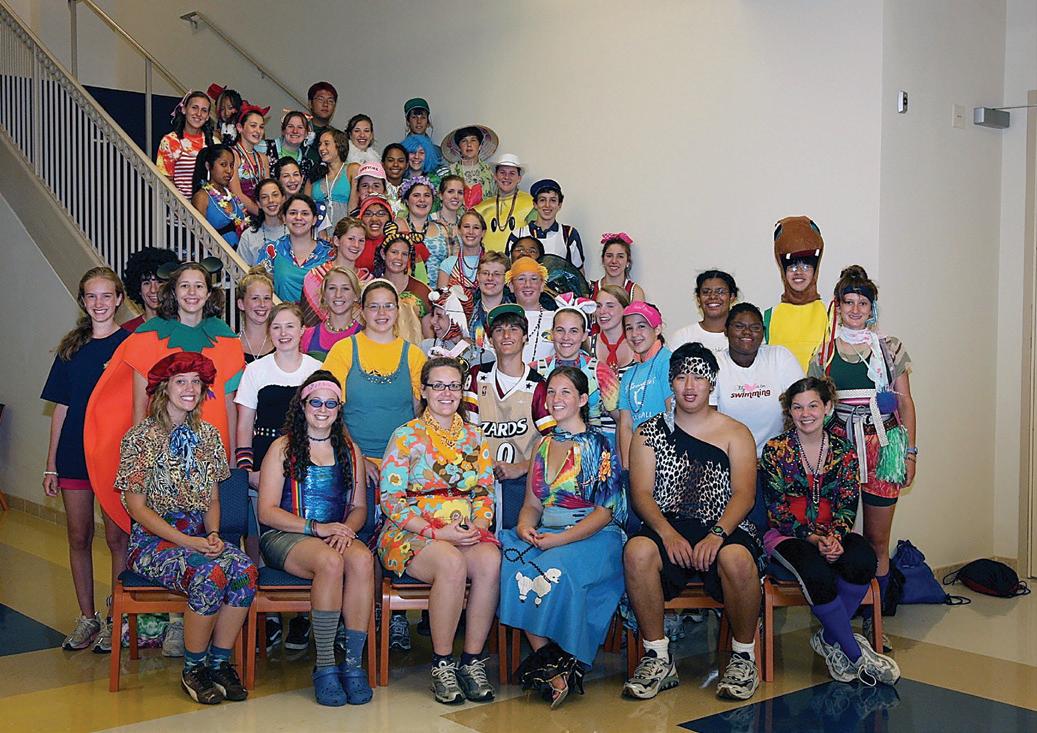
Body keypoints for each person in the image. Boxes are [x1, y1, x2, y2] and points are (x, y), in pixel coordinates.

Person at [622, 343, 763, 701]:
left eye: (698, 377)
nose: (689, 385)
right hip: (668, 525)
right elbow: (641, 494)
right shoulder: (648, 433)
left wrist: (717, 534)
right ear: (670, 381)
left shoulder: (736, 432)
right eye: (682, 376)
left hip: (724, 525)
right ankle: (657, 655)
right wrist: (667, 534)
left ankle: (744, 657)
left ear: (712, 382)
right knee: (637, 551)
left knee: (737, 559)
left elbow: (744, 494)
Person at [115, 352, 257, 705]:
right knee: (209, 575)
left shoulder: (208, 436)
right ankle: (193, 669)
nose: (190, 388)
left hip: (197, 536)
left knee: (244, 570)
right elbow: (137, 508)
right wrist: (187, 542)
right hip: (152, 542)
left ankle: (219, 664)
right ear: (164, 388)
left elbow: (212, 499)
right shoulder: (141, 438)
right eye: (181, 382)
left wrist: (212, 534)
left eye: (196, 382)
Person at [85, 262, 246, 536]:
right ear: (173, 291)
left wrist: (229, 459)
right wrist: (142, 456)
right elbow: (139, 404)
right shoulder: (149, 336)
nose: (192, 293)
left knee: (213, 532)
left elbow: (229, 405)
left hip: (208, 451)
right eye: (185, 286)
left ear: (209, 293)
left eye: (199, 286)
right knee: (166, 532)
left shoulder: (227, 339)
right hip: (162, 454)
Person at [762, 377, 901, 686]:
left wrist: (836, 537)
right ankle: (857, 656)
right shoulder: (775, 450)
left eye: (813, 405)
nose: (805, 414)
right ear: (789, 411)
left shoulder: (844, 450)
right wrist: (813, 538)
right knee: (817, 571)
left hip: (832, 533)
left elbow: (848, 504)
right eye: (797, 407)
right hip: (788, 536)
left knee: (863, 559)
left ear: (827, 407)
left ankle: (828, 639)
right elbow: (777, 511)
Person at [500, 367, 625, 707]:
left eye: (565, 392)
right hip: (547, 533)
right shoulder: (541, 445)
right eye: (552, 392)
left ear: (583, 399)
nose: (556, 399)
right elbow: (531, 505)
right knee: (510, 566)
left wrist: (559, 540)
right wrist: (524, 526)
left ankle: (560, 662)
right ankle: (555, 664)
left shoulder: (600, 445)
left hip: (593, 535)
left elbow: (606, 512)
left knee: (548, 570)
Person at [378, 357, 500, 705]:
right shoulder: (406, 436)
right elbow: (391, 499)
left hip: (464, 529)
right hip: (411, 531)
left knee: (490, 560)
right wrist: (437, 533)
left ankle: (472, 662)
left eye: (454, 386)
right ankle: (442, 664)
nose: (447, 393)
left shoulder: (475, 436)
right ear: (423, 391)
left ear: (462, 391)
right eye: (438, 385)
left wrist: (478, 525)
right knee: (450, 562)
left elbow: (484, 492)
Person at [809, 266, 916, 649]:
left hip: (883, 448)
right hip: (838, 448)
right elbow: (814, 407)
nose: (855, 309)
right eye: (849, 302)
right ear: (838, 306)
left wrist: (910, 454)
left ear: (872, 308)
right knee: (834, 535)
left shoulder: (890, 348)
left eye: (863, 303)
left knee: (877, 541)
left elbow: (905, 402)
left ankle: (875, 625)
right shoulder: (823, 351)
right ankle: (836, 621)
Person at [257, 370, 374, 706]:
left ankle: (352, 664)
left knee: (362, 559)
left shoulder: (350, 450)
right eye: (316, 402)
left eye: (330, 404)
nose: (323, 409)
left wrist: (346, 530)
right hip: (286, 535)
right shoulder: (282, 448)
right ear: (303, 405)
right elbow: (266, 511)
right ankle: (324, 664)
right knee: (330, 562)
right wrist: (317, 528)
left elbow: (358, 508)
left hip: (335, 533)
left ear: (339, 409)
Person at [42, 267, 131, 653]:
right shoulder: (71, 349)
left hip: (114, 457)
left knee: (117, 538)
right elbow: (60, 409)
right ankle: (86, 618)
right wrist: (51, 464)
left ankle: (117, 618)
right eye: (91, 296)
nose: (99, 303)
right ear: (82, 301)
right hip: (74, 456)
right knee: (78, 536)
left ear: (119, 299)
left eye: (106, 295)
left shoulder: (130, 347)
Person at [464, 304, 554, 530]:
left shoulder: (538, 385)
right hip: (479, 478)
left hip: (522, 484)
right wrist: (483, 463)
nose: (506, 335)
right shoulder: (477, 376)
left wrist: (522, 467)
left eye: (513, 329)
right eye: (499, 330)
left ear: (525, 337)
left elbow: (553, 443)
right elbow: (467, 433)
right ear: (490, 339)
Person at [323, 279, 427, 465]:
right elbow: (330, 410)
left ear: (397, 310)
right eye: (374, 306)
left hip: (404, 460)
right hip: (352, 459)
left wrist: (407, 458)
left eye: (388, 306)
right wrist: (357, 457)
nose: (382, 313)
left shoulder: (414, 355)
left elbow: (422, 413)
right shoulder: (343, 350)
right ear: (362, 312)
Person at [234, 302, 322, 480]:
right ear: (269, 331)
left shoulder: (317, 370)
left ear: (302, 330)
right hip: (264, 459)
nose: (283, 333)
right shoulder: (254, 370)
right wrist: (247, 472)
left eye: (290, 326)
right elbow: (245, 425)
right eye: (276, 327)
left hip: (309, 457)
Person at [713, 304, 804, 457]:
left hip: (779, 456)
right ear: (726, 330)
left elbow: (803, 403)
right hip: (729, 456)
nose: (747, 332)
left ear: (763, 332)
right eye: (739, 326)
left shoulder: (779, 356)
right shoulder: (715, 364)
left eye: (755, 327)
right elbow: (708, 418)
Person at [764, 216, 829, 371]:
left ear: (815, 270)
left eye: (806, 267)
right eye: (792, 267)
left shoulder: (831, 313)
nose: (799, 272)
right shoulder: (768, 316)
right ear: (783, 270)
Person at [533, 297, 601, 431]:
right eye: (560, 330)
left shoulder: (600, 372)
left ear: (584, 335)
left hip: (591, 441)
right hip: (545, 441)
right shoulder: (535, 370)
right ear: (552, 333)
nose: (566, 337)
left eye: (573, 331)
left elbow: (621, 418)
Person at [617, 302, 671, 467]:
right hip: (639, 461)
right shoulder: (628, 375)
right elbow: (626, 425)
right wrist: (627, 466)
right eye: (629, 328)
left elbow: (673, 412)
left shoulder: (668, 361)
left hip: (666, 458)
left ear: (657, 329)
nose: (634, 334)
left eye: (641, 326)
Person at [257, 194, 334, 302]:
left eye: (305, 213)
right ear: (284, 218)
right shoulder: (272, 250)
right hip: (280, 312)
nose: (298, 217)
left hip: (320, 313)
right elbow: (259, 289)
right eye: (293, 213)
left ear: (314, 220)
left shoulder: (329, 254)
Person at [301, 216, 370, 326]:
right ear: (337, 241)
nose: (356, 245)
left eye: (361, 240)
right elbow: (308, 321)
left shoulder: (368, 281)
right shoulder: (314, 276)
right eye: (351, 239)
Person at [591, 284, 635, 449]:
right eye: (598, 306)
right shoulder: (586, 343)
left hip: (630, 434)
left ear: (625, 309)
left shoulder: (637, 345)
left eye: (610, 306)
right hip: (594, 437)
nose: (602, 311)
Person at [507, 179, 584, 271]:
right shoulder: (518, 234)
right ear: (535, 204)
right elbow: (508, 269)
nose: (547, 205)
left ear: (559, 205)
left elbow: (579, 271)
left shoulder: (568, 234)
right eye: (542, 200)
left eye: (553, 200)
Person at [373, 235, 432, 343]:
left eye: (404, 254)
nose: (399, 258)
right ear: (383, 254)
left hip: (413, 351)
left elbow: (429, 338)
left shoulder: (422, 291)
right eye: (394, 252)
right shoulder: (372, 289)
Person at [157, 91, 215, 198]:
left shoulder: (214, 142)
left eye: (204, 110)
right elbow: (165, 180)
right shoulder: (170, 141)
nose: (198, 114)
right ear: (184, 109)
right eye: (194, 108)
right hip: (180, 203)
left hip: (209, 203)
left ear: (207, 117)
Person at [474, 154, 534, 253]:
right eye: (502, 172)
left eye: (512, 173)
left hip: (518, 260)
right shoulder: (482, 207)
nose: (506, 177)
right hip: (487, 260)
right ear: (495, 176)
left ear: (519, 178)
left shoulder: (531, 203)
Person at [191, 144, 247, 249]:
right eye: (223, 164)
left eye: (231, 166)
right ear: (208, 166)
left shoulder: (231, 196)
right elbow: (199, 238)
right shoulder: (202, 197)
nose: (229, 171)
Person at [301, 267, 363, 360]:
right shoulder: (308, 335)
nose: (338, 294)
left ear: (356, 295)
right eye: (332, 288)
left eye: (345, 288)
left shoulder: (365, 335)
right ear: (324, 295)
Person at [396, 176, 448, 285]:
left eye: (427, 195)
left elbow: (452, 263)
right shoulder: (397, 226)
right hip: (408, 290)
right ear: (406, 201)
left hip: (440, 291)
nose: (422, 200)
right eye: (416, 195)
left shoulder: (442, 228)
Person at [672, 270, 739, 355]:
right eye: (706, 292)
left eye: (720, 292)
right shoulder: (683, 337)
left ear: (732, 297)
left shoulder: (743, 336)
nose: (712, 296)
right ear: (698, 298)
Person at [507, 257, 556, 366]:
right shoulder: (501, 319)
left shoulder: (556, 319)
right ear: (511, 286)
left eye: (534, 279)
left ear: (542, 285)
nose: (527, 284)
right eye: (521, 279)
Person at [121, 247, 180, 332]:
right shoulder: (127, 331)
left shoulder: (182, 328)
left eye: (159, 282)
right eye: (146, 283)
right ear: (138, 289)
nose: (153, 290)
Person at [307, 130, 353, 238]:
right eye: (320, 144)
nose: (321, 148)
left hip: (344, 236)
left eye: (326, 143)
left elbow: (353, 208)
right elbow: (305, 208)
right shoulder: (314, 174)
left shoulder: (352, 169)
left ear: (339, 145)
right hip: (317, 237)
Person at [441, 124, 498, 208]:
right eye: (464, 141)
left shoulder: (490, 171)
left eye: (473, 140)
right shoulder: (450, 171)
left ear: (480, 146)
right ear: (459, 148)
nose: (469, 144)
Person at [229, 106, 271, 216]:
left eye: (261, 127)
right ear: (240, 127)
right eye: (253, 126)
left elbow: (269, 190)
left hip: (263, 212)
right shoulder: (232, 155)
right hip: (240, 214)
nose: (258, 131)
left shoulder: (263, 158)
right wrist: (261, 214)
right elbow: (236, 193)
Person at [237, 179, 287, 267]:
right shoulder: (248, 236)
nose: (271, 200)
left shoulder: (296, 229)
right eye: (264, 197)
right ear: (259, 203)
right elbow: (240, 271)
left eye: (275, 195)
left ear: (283, 199)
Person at [437, 210, 486, 297]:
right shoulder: (447, 264)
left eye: (476, 228)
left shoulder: (493, 263)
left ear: (483, 233)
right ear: (458, 230)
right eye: (466, 226)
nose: (471, 232)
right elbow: (441, 300)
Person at [419, 286, 472, 362]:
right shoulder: (426, 348)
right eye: (433, 315)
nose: (432, 321)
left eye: (439, 315)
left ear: (456, 319)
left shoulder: (480, 356)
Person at [591, 233, 646, 302]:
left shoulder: (635, 292)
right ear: (603, 260)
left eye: (620, 256)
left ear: (628, 261)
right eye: (609, 256)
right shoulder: (590, 289)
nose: (614, 261)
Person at [235, 268, 275, 363]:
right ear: (241, 304)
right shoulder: (230, 345)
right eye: (255, 298)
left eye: (267, 298)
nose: (262, 304)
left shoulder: (282, 343)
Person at [301, 82, 338, 178]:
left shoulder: (337, 136)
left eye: (330, 101)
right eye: (321, 99)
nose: (325, 104)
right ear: (310, 103)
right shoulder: (299, 130)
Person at [264, 112, 314, 181]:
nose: (295, 131)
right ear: (283, 130)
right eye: (290, 126)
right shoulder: (264, 147)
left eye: (300, 127)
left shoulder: (307, 164)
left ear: (306, 133)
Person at [355, 195, 394, 275]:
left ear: (390, 218)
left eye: (381, 214)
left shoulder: (400, 244)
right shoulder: (352, 244)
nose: (374, 219)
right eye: (368, 214)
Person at [402, 97, 442, 170]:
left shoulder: (437, 151)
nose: (419, 121)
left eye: (423, 117)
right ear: (408, 122)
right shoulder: (400, 149)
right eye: (414, 117)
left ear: (428, 121)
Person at [431, 174, 464, 254]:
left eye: (460, 192)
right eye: (450, 192)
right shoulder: (429, 220)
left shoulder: (465, 223)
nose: (456, 196)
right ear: (441, 195)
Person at [381, 143, 408, 216]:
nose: (395, 164)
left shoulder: (411, 188)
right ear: (383, 164)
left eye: (400, 161)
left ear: (407, 165)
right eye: (390, 160)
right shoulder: (377, 187)